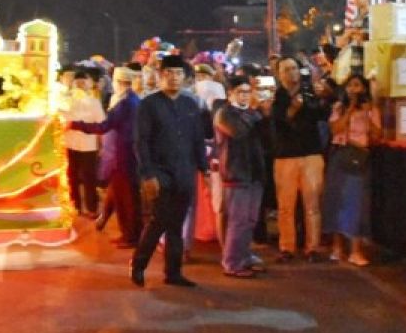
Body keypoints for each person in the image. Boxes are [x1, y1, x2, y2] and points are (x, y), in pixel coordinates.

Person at [131, 54, 207, 287]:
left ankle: (173, 273)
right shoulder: (149, 105)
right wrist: (148, 174)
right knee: (159, 220)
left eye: (178, 74)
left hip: (185, 171)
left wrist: (204, 169)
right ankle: (139, 265)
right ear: (160, 76)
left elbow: (197, 139)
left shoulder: (190, 104)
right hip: (160, 172)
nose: (174, 78)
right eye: (169, 73)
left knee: (177, 224)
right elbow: (141, 141)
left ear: (184, 77)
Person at [69, 65, 142, 245]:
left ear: (119, 82)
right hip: (125, 154)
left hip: (122, 155)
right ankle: (128, 232)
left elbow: (104, 126)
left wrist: (76, 125)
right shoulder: (131, 100)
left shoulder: (125, 103)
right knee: (121, 195)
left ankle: (130, 236)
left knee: (126, 199)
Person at [271, 56, 329, 262]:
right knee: (286, 206)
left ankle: (312, 247)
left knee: (312, 205)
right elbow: (278, 122)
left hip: (311, 153)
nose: (291, 73)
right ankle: (287, 247)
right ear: (279, 74)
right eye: (286, 69)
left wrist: (324, 98)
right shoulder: (277, 96)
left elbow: (321, 115)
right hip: (285, 155)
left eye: (294, 68)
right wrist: (294, 108)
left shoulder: (310, 92)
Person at [323, 74, 383, 266]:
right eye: (350, 85)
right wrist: (349, 110)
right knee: (337, 200)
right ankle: (337, 248)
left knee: (357, 204)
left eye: (357, 85)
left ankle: (355, 250)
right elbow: (335, 129)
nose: (353, 89)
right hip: (341, 155)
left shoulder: (371, 109)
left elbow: (376, 135)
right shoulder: (339, 108)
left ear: (364, 89)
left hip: (360, 157)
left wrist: (366, 114)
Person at [213, 75, 270, 278]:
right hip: (236, 173)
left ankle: (244, 255)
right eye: (240, 92)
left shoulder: (252, 113)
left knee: (250, 220)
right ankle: (231, 262)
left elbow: (266, 135)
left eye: (248, 92)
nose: (245, 96)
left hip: (255, 173)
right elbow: (239, 132)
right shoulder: (225, 113)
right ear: (230, 94)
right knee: (237, 220)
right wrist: (258, 113)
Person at [60, 69, 106, 217]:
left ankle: (92, 207)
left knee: (89, 178)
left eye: (83, 82)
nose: (80, 85)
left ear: (88, 84)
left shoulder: (94, 102)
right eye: (77, 82)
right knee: (71, 176)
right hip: (70, 143)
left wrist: (102, 145)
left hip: (88, 145)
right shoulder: (66, 101)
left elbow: (101, 124)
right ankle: (75, 206)